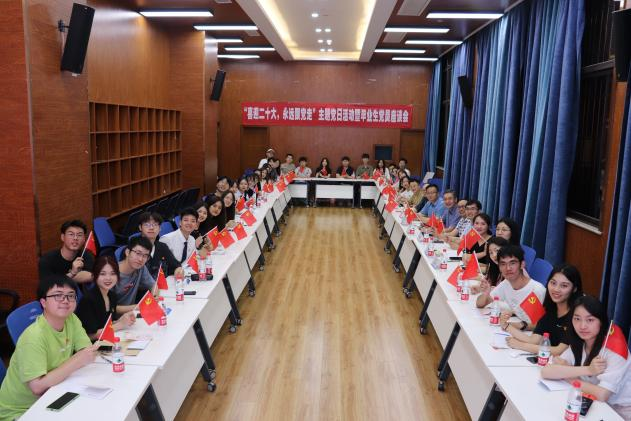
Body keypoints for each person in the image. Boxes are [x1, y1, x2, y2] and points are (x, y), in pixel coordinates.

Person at [0, 277, 98, 420]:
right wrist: (77, 360)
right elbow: (37, 387)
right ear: (43, 302)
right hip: (21, 411)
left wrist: (82, 357)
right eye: (58, 295)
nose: (65, 300)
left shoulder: (71, 319)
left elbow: (87, 351)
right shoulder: (33, 337)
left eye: (71, 296)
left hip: (53, 394)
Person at [542, 296, 631, 419]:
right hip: (593, 403)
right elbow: (546, 371)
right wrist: (588, 369)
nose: (582, 326)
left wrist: (567, 375)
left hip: (621, 411)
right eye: (577, 319)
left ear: (601, 321)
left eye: (590, 320)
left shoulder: (615, 350)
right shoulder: (579, 343)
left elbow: (602, 394)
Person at [505, 263, 583, 356]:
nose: (556, 289)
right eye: (553, 283)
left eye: (564, 286)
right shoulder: (550, 308)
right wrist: (506, 326)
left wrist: (521, 345)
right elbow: (534, 340)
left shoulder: (577, 315)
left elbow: (559, 351)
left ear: (574, 289)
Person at [476, 245, 546, 329]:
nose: (508, 268)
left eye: (512, 263)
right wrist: (485, 293)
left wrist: (518, 325)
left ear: (522, 264)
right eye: (503, 264)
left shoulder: (536, 290)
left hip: (530, 333)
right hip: (516, 330)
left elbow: (541, 325)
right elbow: (480, 304)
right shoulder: (507, 283)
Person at [75, 256, 136, 341]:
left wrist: (121, 320)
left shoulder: (112, 296)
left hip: (107, 342)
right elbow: (89, 336)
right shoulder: (88, 300)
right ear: (95, 275)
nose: (108, 278)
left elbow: (107, 324)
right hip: (91, 346)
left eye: (112, 273)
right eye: (103, 274)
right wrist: (119, 325)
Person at [38, 220, 95, 284]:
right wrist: (72, 273)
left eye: (79, 235)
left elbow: (91, 276)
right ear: (62, 237)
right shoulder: (47, 260)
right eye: (71, 234)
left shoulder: (86, 255)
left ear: (84, 239)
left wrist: (60, 279)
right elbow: (48, 284)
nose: (75, 238)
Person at [114, 236, 157, 310]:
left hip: (132, 313)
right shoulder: (111, 274)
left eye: (145, 256)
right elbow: (107, 308)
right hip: (115, 316)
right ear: (127, 252)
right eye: (138, 253)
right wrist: (136, 307)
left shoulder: (141, 268)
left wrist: (154, 298)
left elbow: (153, 285)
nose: (140, 259)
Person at [137, 212, 181, 278]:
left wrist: (178, 270)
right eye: (147, 225)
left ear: (160, 228)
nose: (151, 228)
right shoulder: (134, 250)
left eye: (155, 224)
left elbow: (176, 265)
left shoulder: (162, 246)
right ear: (140, 227)